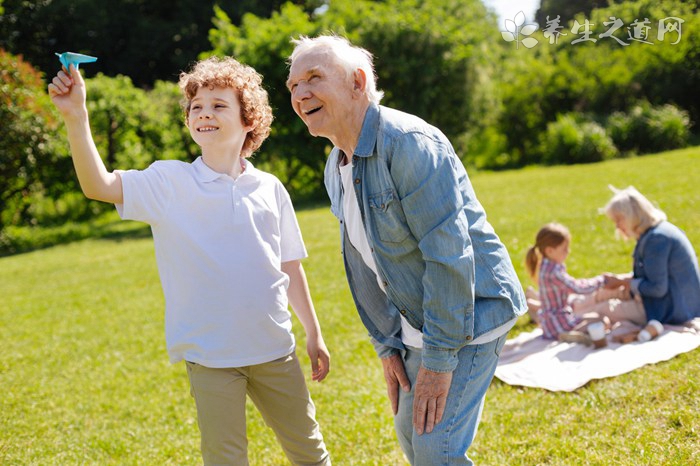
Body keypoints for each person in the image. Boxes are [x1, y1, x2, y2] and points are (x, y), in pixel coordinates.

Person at [48, 56, 331, 465]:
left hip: (274, 350)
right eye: (197, 107)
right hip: (211, 358)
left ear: (248, 120)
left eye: (219, 106)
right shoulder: (169, 182)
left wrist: (313, 332)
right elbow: (99, 185)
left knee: (309, 450)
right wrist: (76, 116)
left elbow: (289, 265)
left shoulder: (269, 188)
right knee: (226, 458)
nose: (204, 113)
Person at [286, 34, 526, 465]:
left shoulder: (409, 142)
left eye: (314, 78)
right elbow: (364, 260)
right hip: (415, 320)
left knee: (437, 450)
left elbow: (449, 257)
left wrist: (437, 362)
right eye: (293, 86)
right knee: (413, 440)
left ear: (357, 82)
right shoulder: (335, 164)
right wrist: (387, 346)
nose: (300, 94)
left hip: (471, 312)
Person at [601, 185, 700, 327]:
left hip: (674, 309)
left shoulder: (656, 239)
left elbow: (657, 289)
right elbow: (653, 274)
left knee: (603, 309)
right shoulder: (656, 232)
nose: (617, 226)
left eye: (619, 220)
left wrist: (625, 282)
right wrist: (621, 280)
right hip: (677, 300)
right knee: (601, 294)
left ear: (631, 216)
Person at [524, 223, 615, 341]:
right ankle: (572, 336)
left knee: (594, 319)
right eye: (564, 249)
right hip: (559, 324)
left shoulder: (545, 266)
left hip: (551, 323)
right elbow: (578, 288)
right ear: (550, 251)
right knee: (602, 320)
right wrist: (601, 280)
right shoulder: (554, 272)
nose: (568, 251)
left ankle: (575, 334)